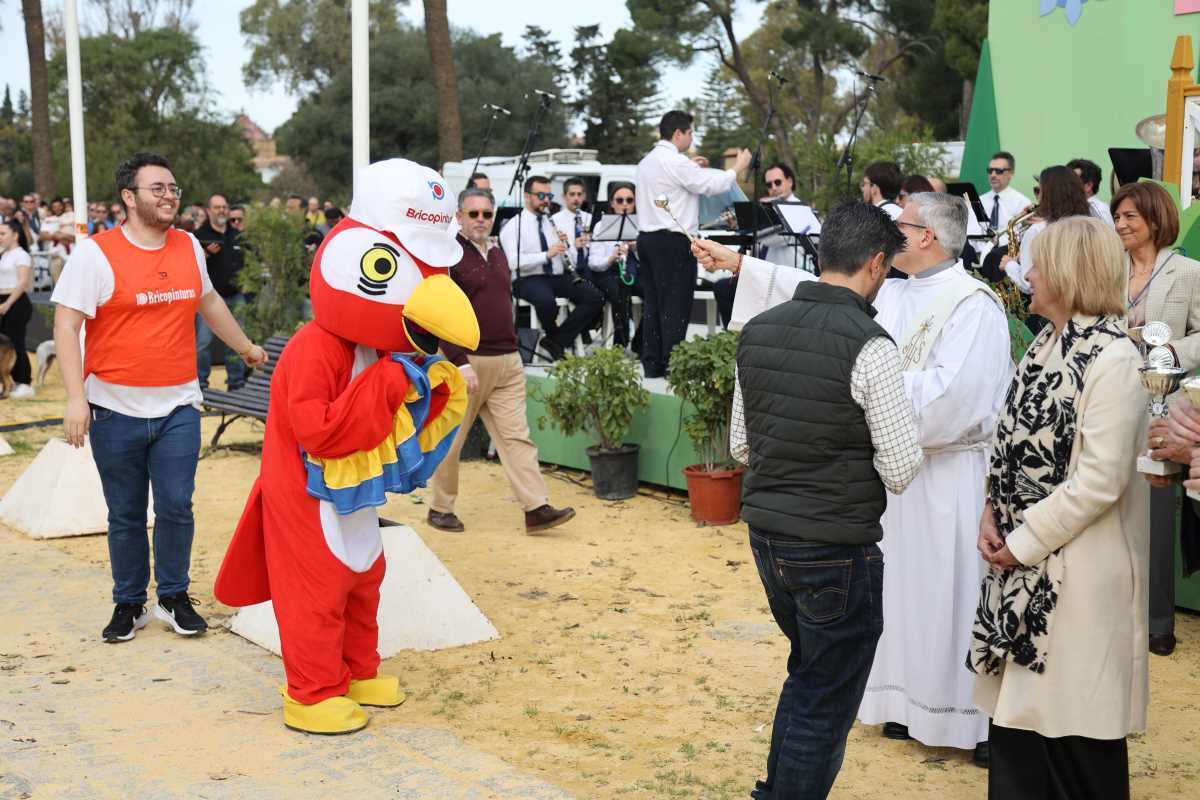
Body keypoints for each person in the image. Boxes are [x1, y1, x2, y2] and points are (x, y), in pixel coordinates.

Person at [214, 158, 478, 735]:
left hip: (353, 497)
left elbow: (396, 416)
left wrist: (431, 380)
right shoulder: (317, 348)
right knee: (317, 590)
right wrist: (390, 382)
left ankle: (358, 671)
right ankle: (310, 693)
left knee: (363, 577)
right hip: (307, 496)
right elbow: (320, 430)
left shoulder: (379, 346)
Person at [703, 202, 923, 800]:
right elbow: (901, 467)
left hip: (770, 537)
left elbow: (742, 444)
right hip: (835, 545)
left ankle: (775, 789)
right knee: (825, 696)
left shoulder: (760, 327)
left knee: (809, 676)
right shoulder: (870, 342)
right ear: (876, 264)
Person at [51, 151, 268, 644]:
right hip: (113, 408)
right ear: (129, 197)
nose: (170, 195)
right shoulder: (95, 254)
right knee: (125, 514)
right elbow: (66, 324)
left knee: (176, 506)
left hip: (177, 406)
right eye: (158, 189)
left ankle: (173, 595)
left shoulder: (189, 246)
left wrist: (246, 347)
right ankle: (129, 603)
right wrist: (74, 399)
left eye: (173, 188)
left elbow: (208, 301)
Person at [969, 216, 1147, 800]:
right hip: (1020, 570)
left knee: (1073, 739)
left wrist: (1020, 543)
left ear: (1069, 274)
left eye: (1039, 263)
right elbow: (1009, 445)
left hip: (1074, 580)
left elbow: (1100, 480)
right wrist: (992, 514)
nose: (1028, 273)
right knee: (1022, 735)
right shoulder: (1045, 343)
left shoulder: (1114, 358)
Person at [855, 193, 1011, 767]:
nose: (891, 232)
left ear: (927, 237)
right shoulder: (891, 292)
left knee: (949, 593)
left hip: (949, 475)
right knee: (901, 590)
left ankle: (966, 718)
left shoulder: (974, 304)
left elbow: (959, 400)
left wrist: (874, 394)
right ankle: (906, 702)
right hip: (899, 476)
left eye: (901, 224)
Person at [428, 187, 576, 535]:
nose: (481, 220)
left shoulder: (497, 253)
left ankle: (536, 508)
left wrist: (513, 353)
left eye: (487, 214)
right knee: (450, 441)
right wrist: (459, 361)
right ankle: (440, 508)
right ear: (459, 216)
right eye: (473, 213)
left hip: (507, 359)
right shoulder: (447, 257)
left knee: (517, 439)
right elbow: (440, 313)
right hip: (464, 362)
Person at [1114, 180, 1200, 657]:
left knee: (1157, 514)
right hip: (1109, 403)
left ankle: (1158, 623)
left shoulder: (1189, 272)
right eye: (1118, 216)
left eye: (1130, 216)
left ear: (1155, 218)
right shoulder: (1109, 269)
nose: (1121, 224)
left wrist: (1164, 350)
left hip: (1162, 407)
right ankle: (1114, 614)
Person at [635, 110, 751, 378]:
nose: (691, 137)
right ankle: (672, 364)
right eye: (690, 133)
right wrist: (738, 167)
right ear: (678, 133)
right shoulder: (675, 162)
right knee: (675, 303)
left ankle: (652, 363)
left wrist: (690, 165)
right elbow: (711, 185)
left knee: (653, 304)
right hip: (672, 242)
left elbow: (682, 180)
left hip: (648, 240)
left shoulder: (647, 162)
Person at [499, 175, 603, 362]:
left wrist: (568, 247)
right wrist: (546, 254)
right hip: (527, 278)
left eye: (549, 195)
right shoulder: (515, 225)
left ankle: (556, 341)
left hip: (555, 276)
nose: (546, 200)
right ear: (527, 196)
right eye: (541, 195)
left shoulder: (551, 222)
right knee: (546, 302)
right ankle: (556, 340)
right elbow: (512, 262)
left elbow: (564, 259)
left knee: (594, 297)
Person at [999, 165, 1090, 295]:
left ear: (1048, 194)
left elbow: (1029, 283)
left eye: (1039, 191)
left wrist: (1009, 265)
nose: (1038, 196)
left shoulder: (1038, 231)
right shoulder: (1088, 224)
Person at [194, 194, 248, 391]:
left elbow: (247, 260)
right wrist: (206, 254)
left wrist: (246, 280)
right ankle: (201, 385)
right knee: (203, 344)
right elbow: (191, 265)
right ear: (208, 211)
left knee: (238, 342)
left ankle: (236, 384)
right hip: (209, 299)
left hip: (236, 296)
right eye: (217, 207)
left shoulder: (236, 234)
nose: (222, 211)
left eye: (224, 207)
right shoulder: (199, 236)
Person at [0, 220, 35, 398]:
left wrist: (8, 304)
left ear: (15, 235)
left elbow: (22, 282)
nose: (0, 237)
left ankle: (25, 382)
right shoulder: (4, 254)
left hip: (16, 302)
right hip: (3, 300)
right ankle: (7, 382)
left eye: (3, 233)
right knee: (2, 345)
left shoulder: (21, 255)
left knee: (16, 342)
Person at [979, 151, 1033, 232]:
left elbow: (1023, 234)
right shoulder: (979, 201)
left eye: (999, 171)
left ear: (1011, 173)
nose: (993, 175)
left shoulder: (1022, 203)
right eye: (990, 170)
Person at [1067, 157, 1113, 225]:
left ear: (1088, 186)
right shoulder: (1067, 208)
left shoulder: (1100, 211)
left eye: (1072, 181)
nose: (1065, 185)